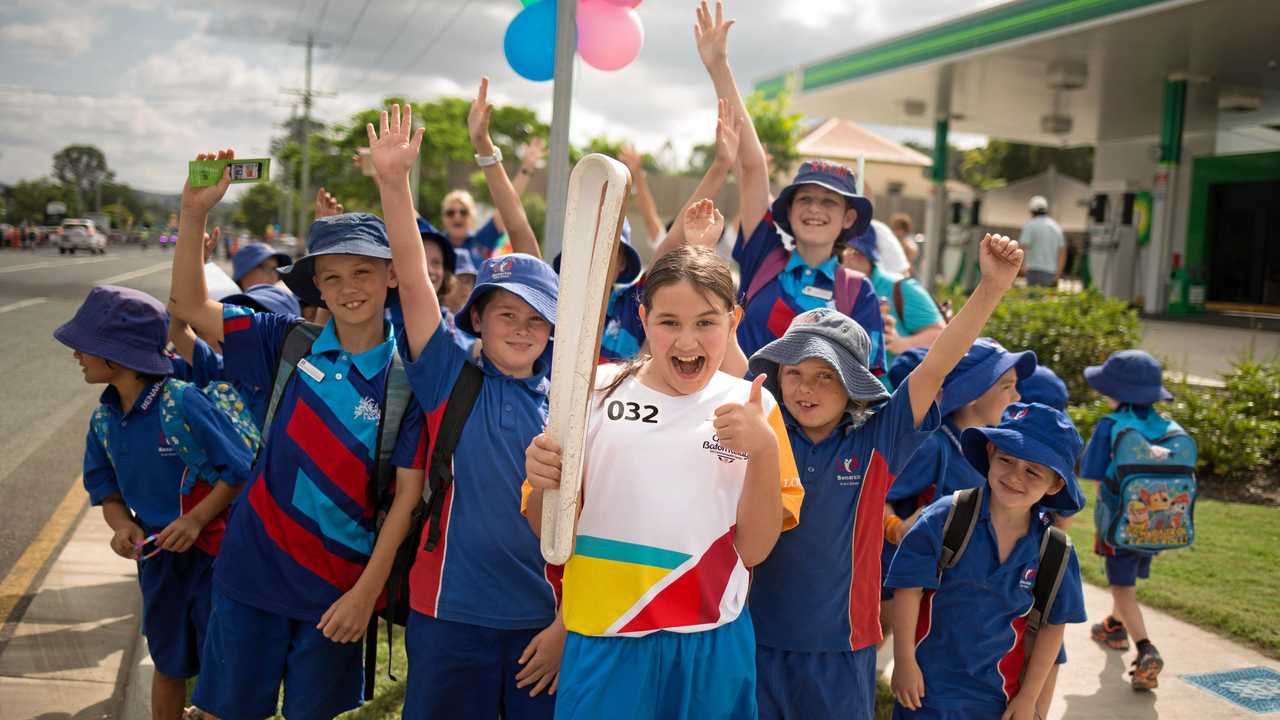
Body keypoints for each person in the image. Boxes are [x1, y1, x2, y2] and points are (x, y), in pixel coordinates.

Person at [169, 149, 428, 719]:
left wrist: (366, 595)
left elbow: (407, 498)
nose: (348, 289)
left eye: (362, 272)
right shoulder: (283, 342)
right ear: (315, 288)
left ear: (391, 274)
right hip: (250, 575)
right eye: (331, 277)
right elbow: (188, 305)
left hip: (336, 591)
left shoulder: (408, 380)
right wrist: (193, 214)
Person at [748, 230, 1027, 720]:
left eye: (825, 376)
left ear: (854, 386)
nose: (805, 388)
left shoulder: (879, 440)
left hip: (844, 647)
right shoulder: (764, 432)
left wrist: (991, 288)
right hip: (755, 638)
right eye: (794, 373)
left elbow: (938, 364)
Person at [524, 244, 802, 720]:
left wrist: (764, 452)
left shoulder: (755, 407)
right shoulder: (589, 393)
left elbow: (754, 550)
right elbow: (548, 532)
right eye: (669, 322)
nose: (687, 341)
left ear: (733, 320)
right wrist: (544, 478)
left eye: (706, 322)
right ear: (644, 317)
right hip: (604, 635)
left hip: (711, 640)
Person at [368, 101, 564, 719]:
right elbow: (414, 279)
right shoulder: (447, 372)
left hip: (540, 622)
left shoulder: (568, 400)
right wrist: (395, 185)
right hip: (449, 613)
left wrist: (566, 624)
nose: (523, 329)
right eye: (507, 313)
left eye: (537, 319)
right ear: (476, 317)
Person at [55, 285, 254, 720]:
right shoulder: (105, 419)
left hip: (214, 561)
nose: (77, 355)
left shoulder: (183, 402)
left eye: (84, 347)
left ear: (116, 355)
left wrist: (196, 521)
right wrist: (122, 526)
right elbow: (106, 489)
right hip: (159, 564)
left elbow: (238, 471)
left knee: (220, 668)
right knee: (167, 662)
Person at [693, 0, 886, 372]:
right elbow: (751, 168)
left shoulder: (858, 291)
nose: (814, 209)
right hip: (738, 421)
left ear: (848, 218)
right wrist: (719, 67)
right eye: (806, 199)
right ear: (790, 210)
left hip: (814, 430)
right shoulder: (765, 255)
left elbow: (872, 379)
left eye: (828, 203)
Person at [888, 402, 1087, 720]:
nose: (1014, 476)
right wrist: (904, 662)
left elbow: (1053, 626)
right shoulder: (946, 517)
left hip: (997, 702)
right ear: (991, 451)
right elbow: (908, 589)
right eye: (1006, 459)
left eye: (1032, 471)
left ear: (1056, 484)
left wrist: (1029, 697)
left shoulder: (1055, 551)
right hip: (927, 693)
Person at [878, 338, 1036, 642]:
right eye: (1007, 386)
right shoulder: (933, 447)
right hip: (894, 576)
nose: (1017, 396)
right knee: (880, 634)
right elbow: (876, 499)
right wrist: (895, 527)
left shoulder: (989, 448)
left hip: (944, 576)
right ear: (972, 394)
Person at [1081, 350, 1177, 691]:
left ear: (1115, 392)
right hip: (1159, 522)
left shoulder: (1110, 426)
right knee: (1126, 582)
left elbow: (1092, 474)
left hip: (1119, 522)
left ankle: (1146, 649)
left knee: (1122, 586)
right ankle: (1112, 627)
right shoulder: (1165, 426)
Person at [840, 225, 946, 375]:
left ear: (858, 253)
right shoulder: (832, 287)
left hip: (894, 393)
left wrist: (902, 343)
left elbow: (941, 335)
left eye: (838, 251)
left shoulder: (901, 287)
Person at [1018, 195, 1066, 288]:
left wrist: (1019, 267)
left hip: (1033, 270)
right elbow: (1062, 252)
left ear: (1031, 210)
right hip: (1051, 271)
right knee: (1046, 302)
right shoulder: (1056, 227)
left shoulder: (1030, 225)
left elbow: (1022, 248)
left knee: (1033, 300)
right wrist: (1058, 273)